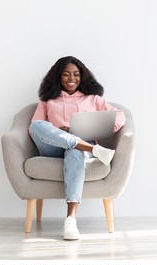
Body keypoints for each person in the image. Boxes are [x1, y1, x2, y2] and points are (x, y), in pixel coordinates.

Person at [29, 56, 126, 240]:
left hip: (80, 150)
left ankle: (71, 220)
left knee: (75, 150)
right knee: (36, 125)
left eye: (76, 74)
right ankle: (92, 148)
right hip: (53, 148)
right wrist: (59, 131)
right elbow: (37, 127)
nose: (71, 78)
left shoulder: (93, 99)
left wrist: (100, 130)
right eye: (66, 74)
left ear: (82, 76)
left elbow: (120, 116)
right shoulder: (48, 100)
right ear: (58, 77)